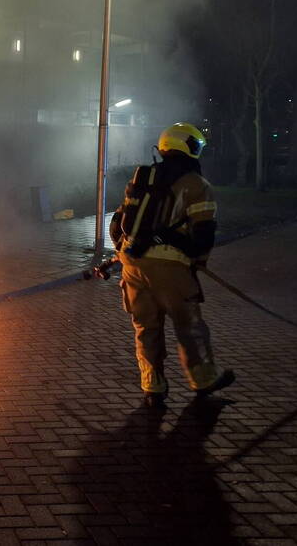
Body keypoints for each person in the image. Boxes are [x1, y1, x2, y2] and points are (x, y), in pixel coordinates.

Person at [110, 122, 236, 408]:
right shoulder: (196, 185)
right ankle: (203, 379)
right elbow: (203, 234)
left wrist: (123, 252)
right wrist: (197, 262)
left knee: (145, 327)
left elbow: (118, 223)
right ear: (188, 146)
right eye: (197, 147)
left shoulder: (142, 178)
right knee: (189, 326)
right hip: (170, 267)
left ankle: (152, 386)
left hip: (131, 263)